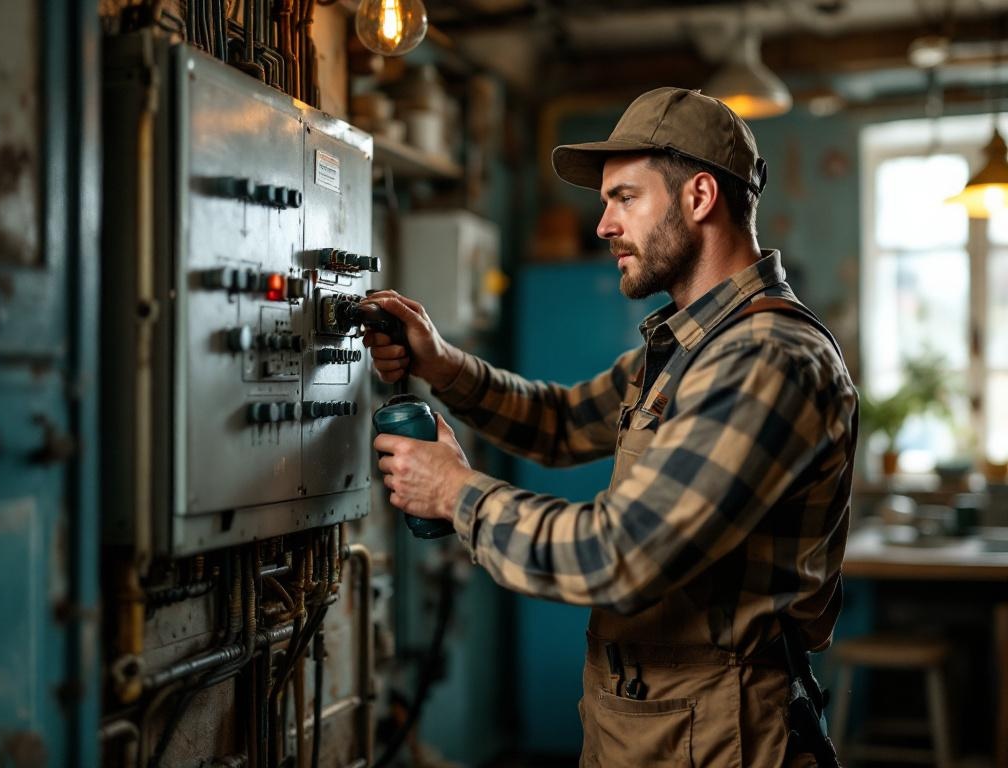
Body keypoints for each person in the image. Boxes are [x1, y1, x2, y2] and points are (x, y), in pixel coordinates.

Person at [363, 87, 857, 767]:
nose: (603, 224)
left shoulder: (765, 358)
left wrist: (456, 495)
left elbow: (618, 556)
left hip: (724, 733)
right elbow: (562, 423)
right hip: (651, 718)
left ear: (700, 197)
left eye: (624, 197)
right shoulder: (691, 346)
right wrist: (445, 366)